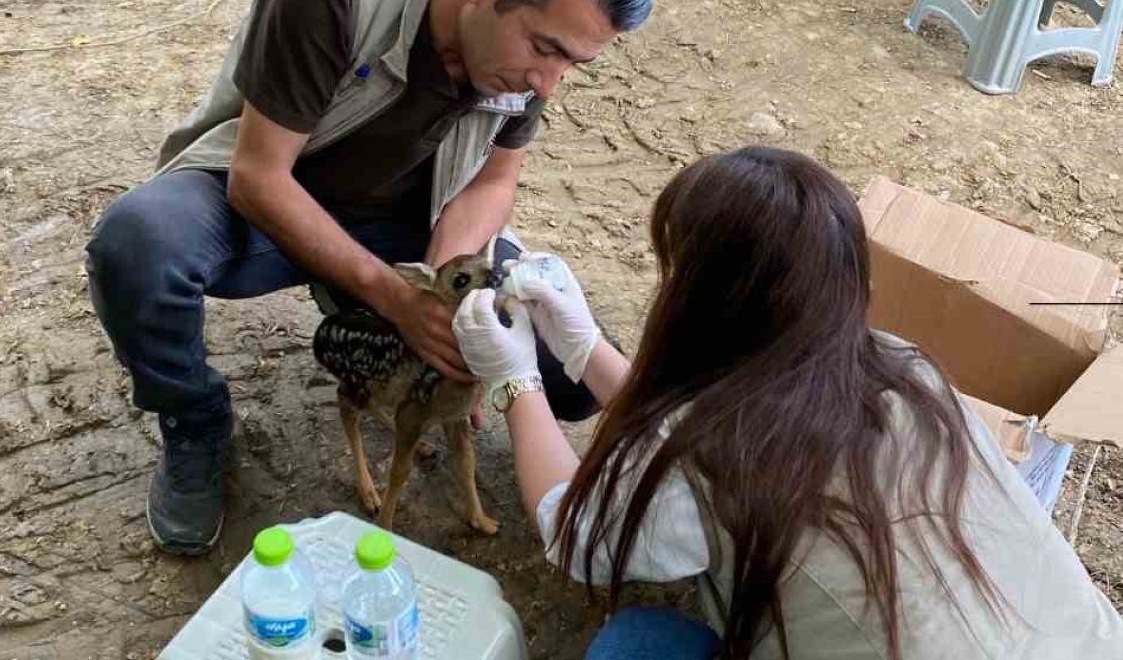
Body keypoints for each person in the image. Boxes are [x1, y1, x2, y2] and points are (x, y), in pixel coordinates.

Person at [83, 0, 655, 555]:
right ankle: (195, 421)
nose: (549, 81)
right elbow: (258, 176)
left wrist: (441, 295)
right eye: (544, 49)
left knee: (575, 378)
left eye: (572, 63)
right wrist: (392, 298)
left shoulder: (535, 44)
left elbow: (494, 182)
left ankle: (364, 307)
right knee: (136, 246)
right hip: (269, 193)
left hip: (409, 220)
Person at [453, 146, 1123, 659]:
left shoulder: (713, 467)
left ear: (703, 301)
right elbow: (691, 432)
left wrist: (518, 383)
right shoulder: (902, 368)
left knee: (639, 645)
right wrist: (583, 348)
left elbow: (574, 529)